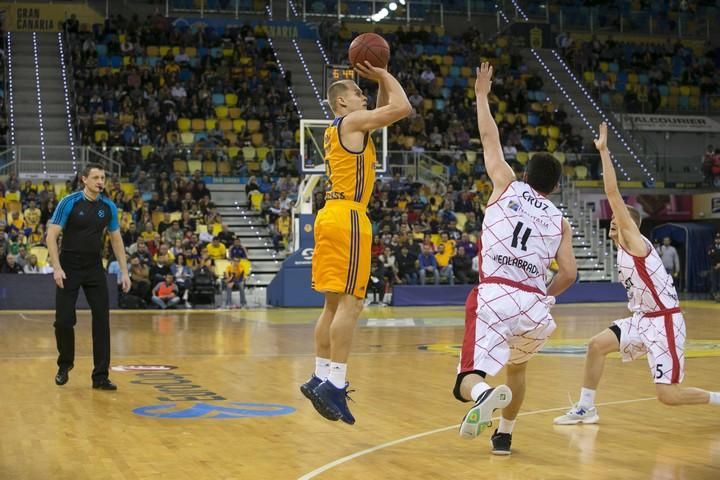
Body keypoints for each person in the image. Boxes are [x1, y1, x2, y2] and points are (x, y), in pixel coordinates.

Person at [553, 122, 720, 427]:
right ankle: (586, 407)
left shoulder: (635, 242)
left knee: (668, 396)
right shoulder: (620, 247)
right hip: (643, 319)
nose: (613, 224)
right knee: (596, 345)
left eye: (618, 220)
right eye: (613, 221)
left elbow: (612, 192)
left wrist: (603, 151)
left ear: (631, 225)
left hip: (664, 321)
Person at [454, 63, 577, 455]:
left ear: (524, 173)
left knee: (465, 380)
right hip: (535, 307)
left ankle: (483, 394)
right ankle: (504, 435)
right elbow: (570, 274)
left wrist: (481, 95)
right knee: (518, 369)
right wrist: (544, 294)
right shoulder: (560, 221)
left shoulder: (506, 184)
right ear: (555, 187)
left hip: (496, 295)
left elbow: (489, 136)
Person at [301, 60, 411, 425]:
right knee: (352, 304)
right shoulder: (350, 122)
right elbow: (401, 108)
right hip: (349, 217)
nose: (364, 97)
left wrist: (378, 81)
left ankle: (319, 375)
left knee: (331, 305)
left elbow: (382, 109)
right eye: (357, 93)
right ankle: (334, 382)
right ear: (341, 104)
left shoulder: (342, 128)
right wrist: (382, 73)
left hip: (331, 215)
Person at [47, 163, 131, 391]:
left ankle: (100, 376)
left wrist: (124, 271)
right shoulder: (70, 202)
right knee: (63, 321)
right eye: (95, 177)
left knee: (102, 320)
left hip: (94, 266)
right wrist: (56, 267)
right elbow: (51, 235)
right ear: (84, 180)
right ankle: (65, 364)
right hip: (69, 266)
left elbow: (116, 239)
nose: (100, 182)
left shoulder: (109, 207)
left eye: (102, 177)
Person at [709, 234, 720, 302]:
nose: (718, 240)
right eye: (716, 239)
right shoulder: (711, 247)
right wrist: (716, 265)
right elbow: (711, 256)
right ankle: (715, 296)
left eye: (719, 239)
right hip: (714, 266)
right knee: (714, 282)